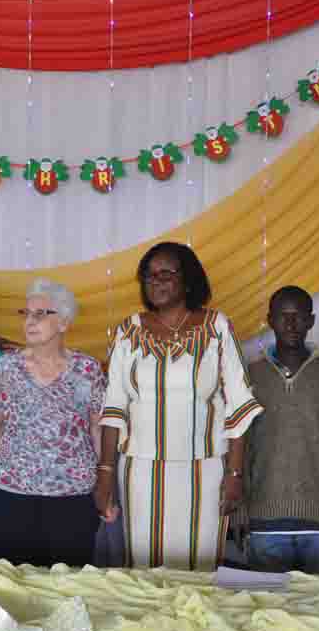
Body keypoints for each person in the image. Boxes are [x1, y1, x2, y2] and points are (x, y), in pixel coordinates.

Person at [99, 242, 262, 571]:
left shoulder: (216, 328)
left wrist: (234, 472)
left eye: (166, 273)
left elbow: (239, 407)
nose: (156, 280)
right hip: (141, 470)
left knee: (200, 568)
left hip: (206, 470)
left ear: (187, 279)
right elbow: (114, 407)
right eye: (149, 275)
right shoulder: (128, 331)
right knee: (145, 568)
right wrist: (105, 473)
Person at [0, 278, 109, 567]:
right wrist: (18, 468)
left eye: (41, 314)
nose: (30, 321)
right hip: (14, 495)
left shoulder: (87, 369)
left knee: (69, 583)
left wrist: (106, 485)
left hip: (73, 497)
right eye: (27, 314)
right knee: (16, 583)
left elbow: (98, 429)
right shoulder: (6, 367)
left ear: (64, 323)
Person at [244, 286, 319, 574]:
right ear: (270, 320)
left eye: (299, 317)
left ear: (311, 321)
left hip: (317, 523)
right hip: (263, 521)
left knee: (313, 613)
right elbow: (239, 446)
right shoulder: (250, 376)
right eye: (283, 316)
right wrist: (238, 510)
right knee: (266, 611)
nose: (291, 324)